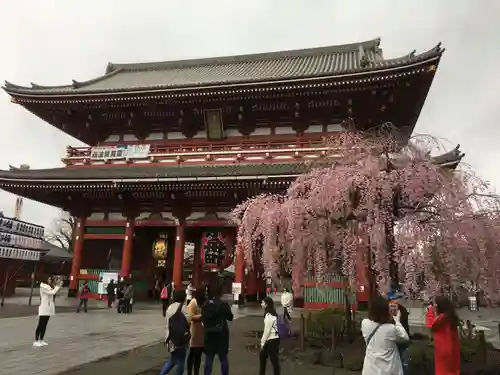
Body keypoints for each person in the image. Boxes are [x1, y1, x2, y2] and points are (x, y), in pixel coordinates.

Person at [361, 294, 409, 375]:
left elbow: (375, 321)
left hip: (370, 369)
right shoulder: (390, 329)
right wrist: (397, 320)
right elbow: (405, 337)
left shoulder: (364, 323)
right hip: (388, 370)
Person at [201, 285, 233, 375]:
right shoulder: (223, 305)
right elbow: (230, 317)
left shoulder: (205, 305)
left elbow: (203, 319)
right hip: (222, 333)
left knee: (209, 358)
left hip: (209, 333)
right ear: (220, 293)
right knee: (223, 357)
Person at [426, 295, 460, 375]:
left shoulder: (442, 318)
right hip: (452, 348)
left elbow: (430, 324)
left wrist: (430, 311)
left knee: (443, 371)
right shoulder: (450, 317)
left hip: (443, 350)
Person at [160, 289, 190, 375]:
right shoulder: (183, 308)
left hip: (170, 338)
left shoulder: (169, 307)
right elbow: (188, 320)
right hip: (181, 338)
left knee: (172, 360)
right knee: (180, 361)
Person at [33, 276, 63, 347]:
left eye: (51, 279)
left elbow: (53, 292)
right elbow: (52, 293)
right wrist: (57, 286)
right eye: (49, 279)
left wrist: (57, 285)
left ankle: (41, 340)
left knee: (45, 325)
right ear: (45, 280)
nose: (50, 280)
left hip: (48, 308)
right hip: (43, 307)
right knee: (40, 324)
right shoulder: (43, 287)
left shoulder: (50, 287)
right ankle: (36, 340)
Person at [388, 291, 410, 375]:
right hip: (393, 338)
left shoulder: (403, 310)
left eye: (397, 298)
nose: (396, 300)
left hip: (402, 338)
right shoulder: (387, 310)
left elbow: (405, 326)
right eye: (394, 298)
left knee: (403, 362)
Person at [259, 296, 281, 375]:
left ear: (266, 304)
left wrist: (262, 342)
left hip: (272, 340)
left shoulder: (269, 316)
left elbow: (267, 331)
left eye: (262, 303)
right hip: (274, 339)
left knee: (273, 360)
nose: (261, 304)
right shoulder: (272, 314)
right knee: (263, 357)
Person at [186, 288, 206, 375]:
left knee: (198, 355)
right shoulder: (193, 303)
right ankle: (189, 372)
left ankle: (196, 372)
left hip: (201, 331)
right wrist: (202, 316)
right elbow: (190, 317)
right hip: (194, 330)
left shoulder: (204, 302)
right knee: (192, 354)